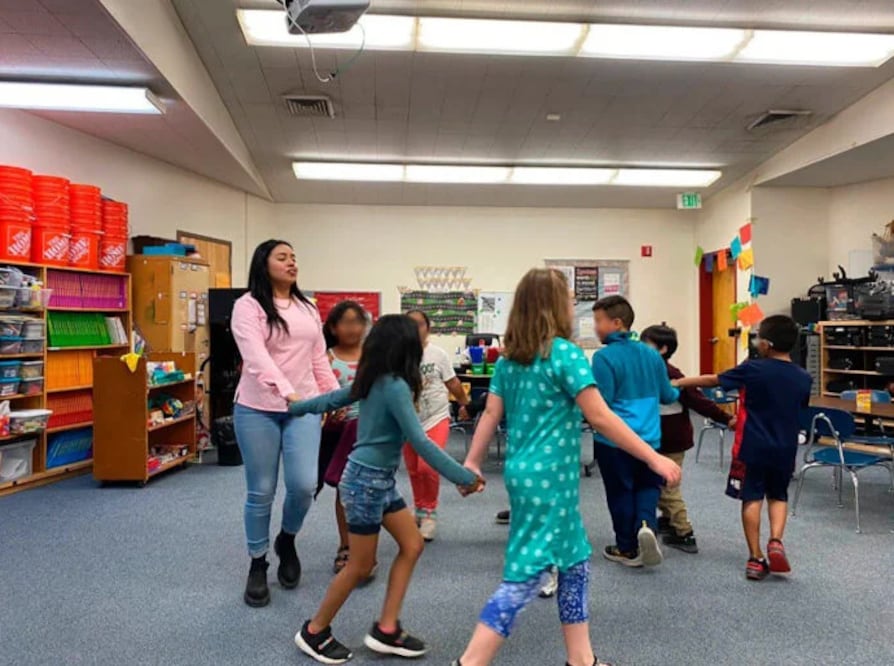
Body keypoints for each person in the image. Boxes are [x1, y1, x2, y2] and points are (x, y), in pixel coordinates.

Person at [454, 269, 681, 666]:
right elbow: (601, 416)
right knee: (527, 574)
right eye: (570, 301)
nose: (574, 309)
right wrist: (652, 456)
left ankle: (582, 659)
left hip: (529, 475)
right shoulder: (565, 354)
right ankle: (470, 661)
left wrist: (472, 461)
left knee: (574, 563)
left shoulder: (510, 361)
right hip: (550, 480)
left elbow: (489, 414)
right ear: (555, 306)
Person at [289, 314, 485, 664]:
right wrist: (464, 477)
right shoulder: (394, 385)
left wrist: (297, 406)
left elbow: (330, 400)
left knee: (412, 545)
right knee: (360, 565)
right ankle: (314, 631)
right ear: (405, 347)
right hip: (366, 482)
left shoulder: (375, 378)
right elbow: (420, 442)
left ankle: (387, 628)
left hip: (376, 481)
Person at [231, 239, 340, 608]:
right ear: (264, 264)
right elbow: (256, 357)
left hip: (304, 408)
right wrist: (287, 391)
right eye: (282, 257)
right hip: (257, 409)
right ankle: (258, 562)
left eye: (294, 257)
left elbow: (318, 358)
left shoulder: (307, 307)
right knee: (261, 490)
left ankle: (287, 539)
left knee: (304, 485)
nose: (292, 262)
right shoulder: (248, 306)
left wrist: (335, 396)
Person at [673, 315, 812, 581]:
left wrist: (680, 382)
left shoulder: (753, 369)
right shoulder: (803, 377)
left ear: (767, 344)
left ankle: (756, 558)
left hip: (752, 445)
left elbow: (713, 380)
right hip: (785, 447)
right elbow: (800, 407)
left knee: (752, 498)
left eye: (759, 338)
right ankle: (776, 540)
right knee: (778, 496)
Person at [590, 296, 680, 568]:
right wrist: (679, 389)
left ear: (617, 323)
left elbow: (602, 404)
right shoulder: (652, 355)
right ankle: (646, 526)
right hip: (650, 438)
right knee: (648, 487)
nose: (595, 327)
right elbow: (667, 395)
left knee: (620, 492)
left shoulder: (603, 357)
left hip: (615, 441)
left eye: (598, 321)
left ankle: (626, 547)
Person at [640, 324, 736, 554]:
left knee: (668, 487)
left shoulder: (672, 375)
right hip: (653, 438)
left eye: (646, 344)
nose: (641, 348)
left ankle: (684, 532)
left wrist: (725, 418)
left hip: (671, 439)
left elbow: (698, 402)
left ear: (663, 349)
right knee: (658, 483)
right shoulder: (645, 371)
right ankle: (668, 521)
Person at [404, 309, 472, 542]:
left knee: (427, 467)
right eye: (410, 324)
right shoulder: (397, 354)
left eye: (420, 324)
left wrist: (464, 404)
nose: (415, 329)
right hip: (408, 420)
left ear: (428, 328)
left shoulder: (437, 354)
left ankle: (430, 512)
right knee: (414, 469)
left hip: (436, 417)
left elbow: (452, 383)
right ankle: (419, 508)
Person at [317, 301, 367, 575]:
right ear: (333, 328)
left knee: (369, 489)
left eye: (357, 322)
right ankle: (346, 545)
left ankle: (365, 548)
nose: (352, 328)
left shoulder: (373, 357)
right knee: (344, 489)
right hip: (337, 432)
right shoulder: (325, 358)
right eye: (346, 322)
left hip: (368, 432)